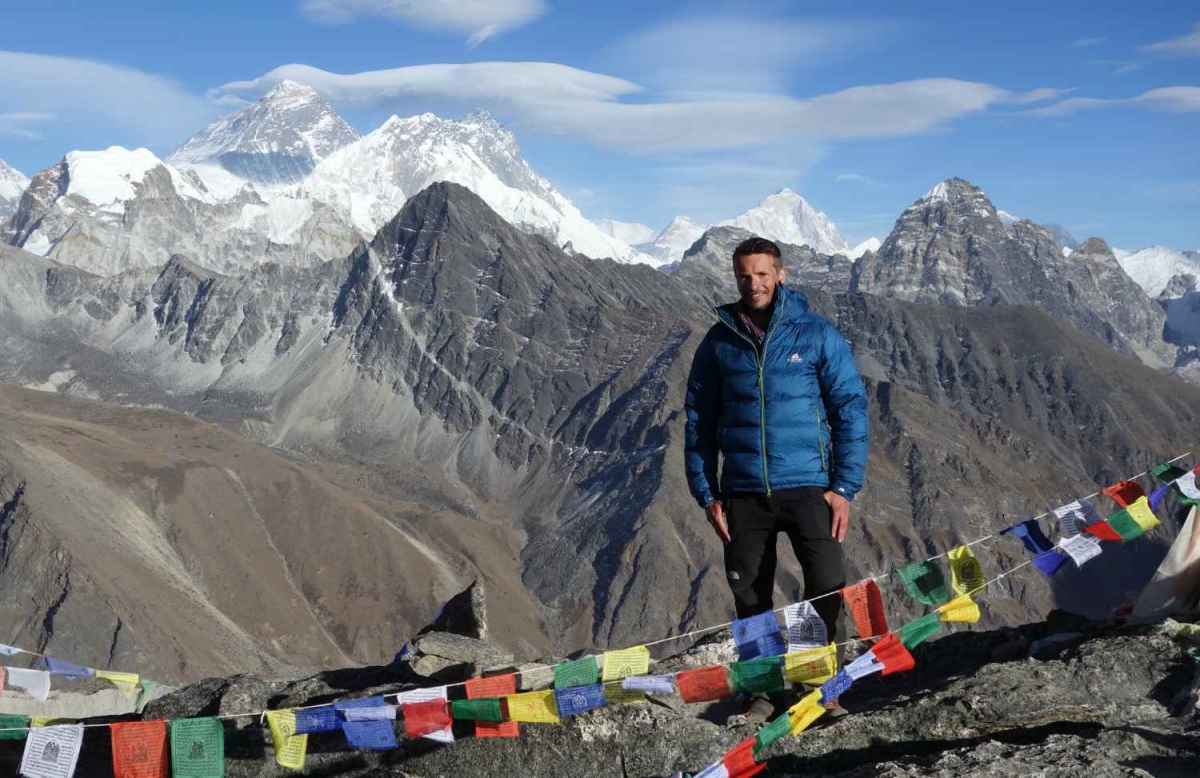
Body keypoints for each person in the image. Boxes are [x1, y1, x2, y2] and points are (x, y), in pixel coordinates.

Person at [684, 236, 870, 721]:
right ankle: (762, 693)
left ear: (781, 274)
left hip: (809, 486)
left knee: (825, 586)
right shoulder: (719, 341)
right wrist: (707, 493)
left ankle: (816, 687)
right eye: (745, 275)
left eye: (763, 273)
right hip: (742, 493)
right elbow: (698, 421)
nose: (754, 283)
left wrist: (844, 487)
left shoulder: (816, 334)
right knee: (751, 597)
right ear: (736, 278)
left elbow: (849, 407)